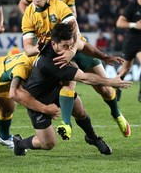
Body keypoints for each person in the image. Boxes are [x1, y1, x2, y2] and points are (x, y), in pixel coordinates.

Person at [21, 0, 131, 139]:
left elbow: (77, 37)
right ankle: (66, 124)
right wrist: (35, 49)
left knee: (106, 91)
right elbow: (27, 47)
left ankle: (117, 115)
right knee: (68, 82)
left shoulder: (60, 7)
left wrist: (73, 52)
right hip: (56, 54)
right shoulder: (28, 15)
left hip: (78, 49)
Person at [11, 22, 132, 156]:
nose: (68, 50)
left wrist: (103, 57)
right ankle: (19, 143)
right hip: (38, 100)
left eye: (70, 46)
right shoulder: (49, 63)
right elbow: (84, 78)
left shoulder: (58, 43)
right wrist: (110, 82)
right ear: (53, 44)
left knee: (80, 111)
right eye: (64, 46)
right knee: (48, 143)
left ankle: (92, 138)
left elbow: (82, 45)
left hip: (55, 91)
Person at [115, 0, 141, 102]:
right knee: (125, 69)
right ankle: (117, 88)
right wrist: (134, 25)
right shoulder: (132, 7)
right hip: (131, 41)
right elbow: (119, 23)